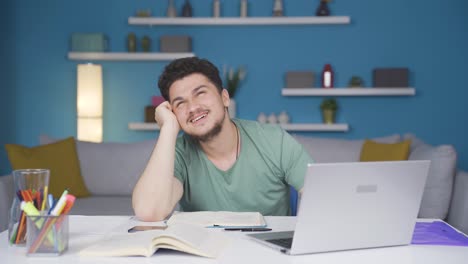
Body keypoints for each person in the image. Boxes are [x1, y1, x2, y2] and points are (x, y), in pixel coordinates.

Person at [132, 57, 312, 221]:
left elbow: (323, 201)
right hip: (204, 251)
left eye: (200, 93)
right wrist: (168, 129)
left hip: (269, 254)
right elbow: (149, 213)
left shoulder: (274, 141)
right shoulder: (178, 153)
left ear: (224, 98)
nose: (193, 107)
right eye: (180, 103)